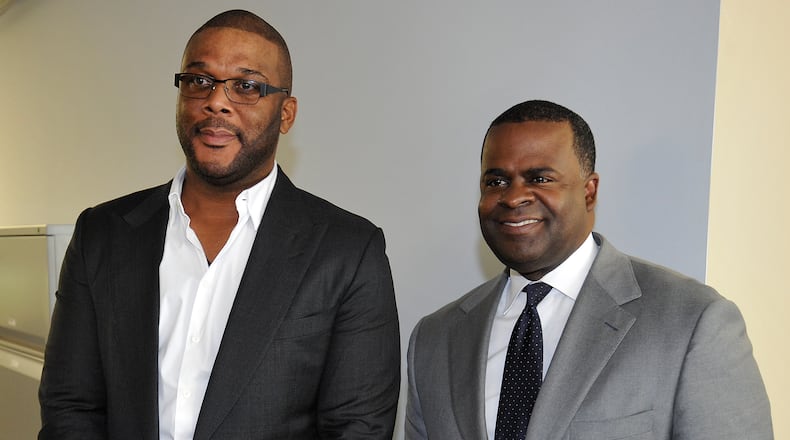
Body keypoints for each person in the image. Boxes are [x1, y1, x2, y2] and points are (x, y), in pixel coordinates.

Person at [39, 9, 400, 439]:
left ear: (286, 113)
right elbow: (70, 407)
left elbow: (356, 428)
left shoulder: (348, 251)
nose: (216, 101)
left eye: (246, 86)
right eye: (199, 81)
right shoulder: (102, 234)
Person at [405, 99, 772, 439]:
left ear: (589, 192)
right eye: (496, 181)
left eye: (540, 178)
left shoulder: (693, 322)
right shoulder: (435, 339)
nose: (514, 197)